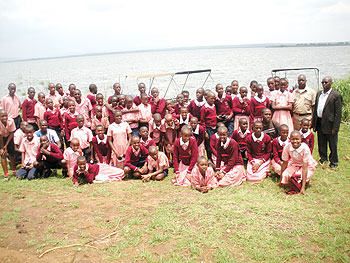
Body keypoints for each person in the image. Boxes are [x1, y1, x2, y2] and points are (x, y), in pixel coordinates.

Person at [312, 76, 342, 168]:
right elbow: (316, 109)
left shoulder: (336, 95)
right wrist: (314, 124)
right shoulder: (319, 94)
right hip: (320, 122)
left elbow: (338, 113)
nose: (324, 84)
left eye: (326, 82)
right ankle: (323, 159)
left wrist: (335, 128)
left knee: (332, 144)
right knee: (321, 142)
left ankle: (334, 162)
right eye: (323, 82)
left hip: (330, 123)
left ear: (331, 83)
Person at [0, 109, 17, 179]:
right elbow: (0, 136)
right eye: (2, 116)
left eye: (5, 116)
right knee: (3, 154)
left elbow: (11, 133)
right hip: (0, 139)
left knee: (11, 154)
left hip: (9, 138)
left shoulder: (11, 121)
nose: (4, 118)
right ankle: (6, 174)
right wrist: (3, 148)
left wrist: (6, 146)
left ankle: (14, 171)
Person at [200, 91, 217, 161]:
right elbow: (202, 120)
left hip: (214, 127)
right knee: (209, 144)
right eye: (211, 98)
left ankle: (214, 157)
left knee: (214, 143)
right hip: (208, 128)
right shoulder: (204, 108)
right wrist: (205, 131)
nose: (213, 100)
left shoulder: (214, 106)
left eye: (214, 99)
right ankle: (209, 158)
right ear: (206, 98)